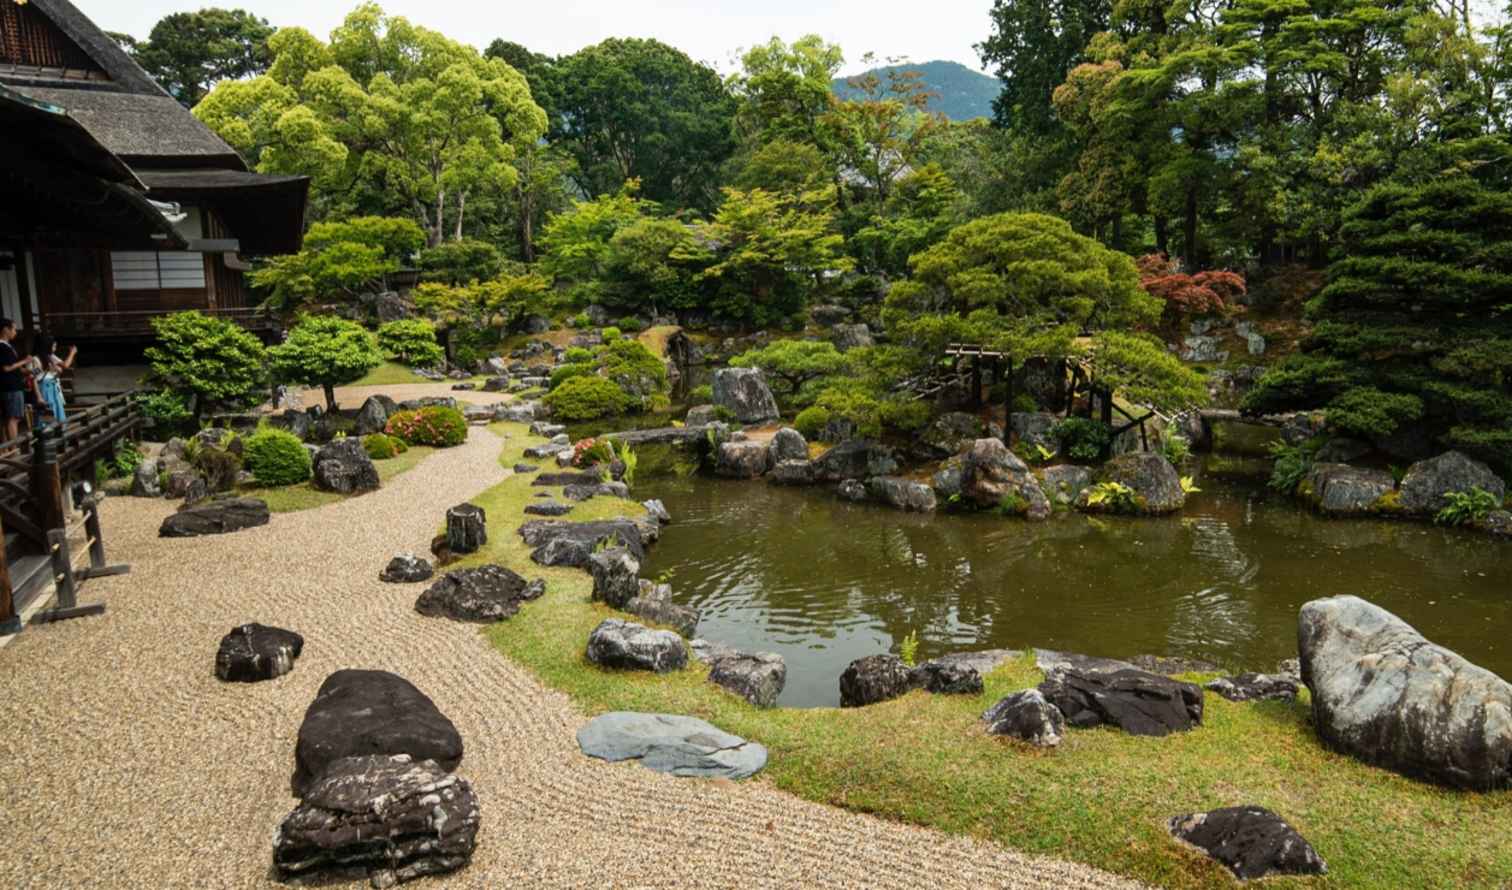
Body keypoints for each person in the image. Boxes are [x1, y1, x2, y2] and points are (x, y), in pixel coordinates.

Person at [35, 336, 75, 426]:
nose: (55, 348)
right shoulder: (36, 358)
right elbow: (33, 376)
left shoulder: (50, 357)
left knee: (57, 412)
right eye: (53, 346)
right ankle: (47, 434)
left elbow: (59, 370)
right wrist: (38, 396)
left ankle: (59, 432)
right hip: (45, 388)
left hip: (53, 387)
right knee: (48, 413)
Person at [0, 319, 27, 442]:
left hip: (10, 386)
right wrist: (25, 361)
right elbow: (6, 367)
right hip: (11, 386)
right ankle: (14, 448)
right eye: (14, 329)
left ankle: (8, 449)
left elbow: (13, 365)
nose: (15, 332)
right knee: (13, 418)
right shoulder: (2, 346)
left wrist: (26, 371)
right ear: (6, 329)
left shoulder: (7, 346)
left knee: (8, 418)